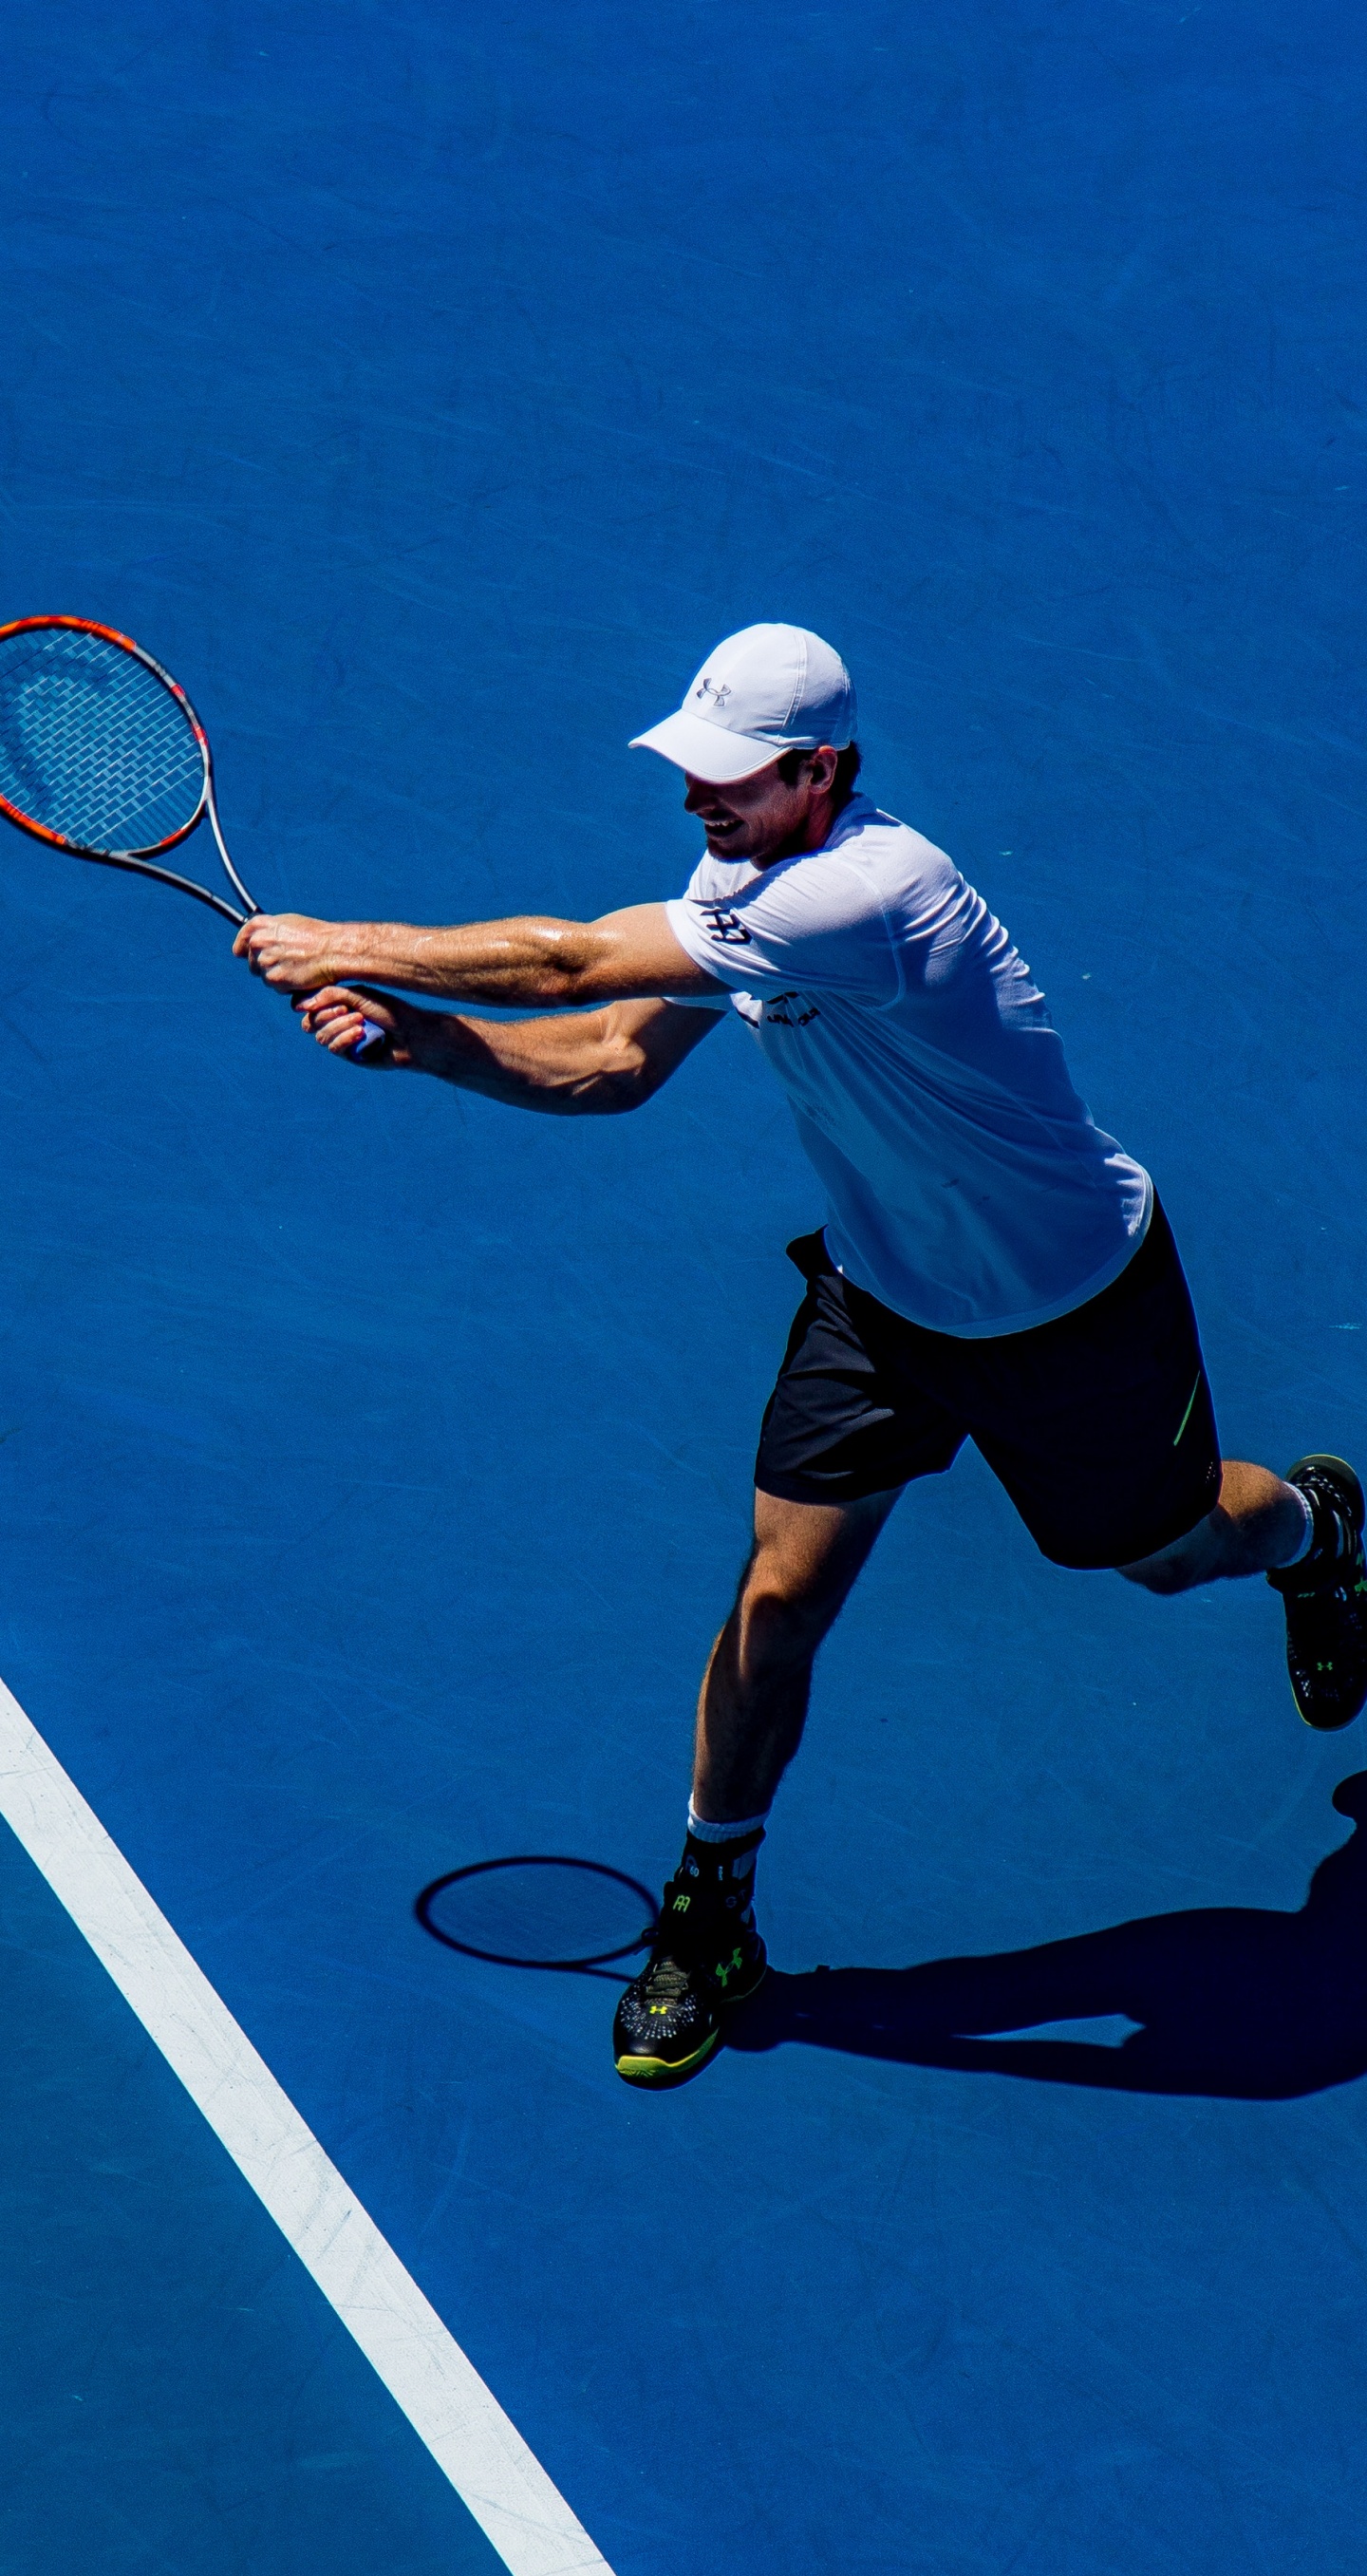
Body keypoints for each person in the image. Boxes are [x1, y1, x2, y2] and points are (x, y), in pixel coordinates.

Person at [234, 622, 1367, 2090]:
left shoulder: (871, 893)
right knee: (777, 1599)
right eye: (690, 768)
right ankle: (710, 1912)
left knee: (1163, 1551)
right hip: (883, 1302)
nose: (699, 797)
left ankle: (1318, 1527)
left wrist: (344, 942)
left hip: (1071, 1306)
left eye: (733, 776)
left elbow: (572, 961)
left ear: (821, 772)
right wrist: (426, 1043)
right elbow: (613, 1061)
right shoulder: (742, 882)